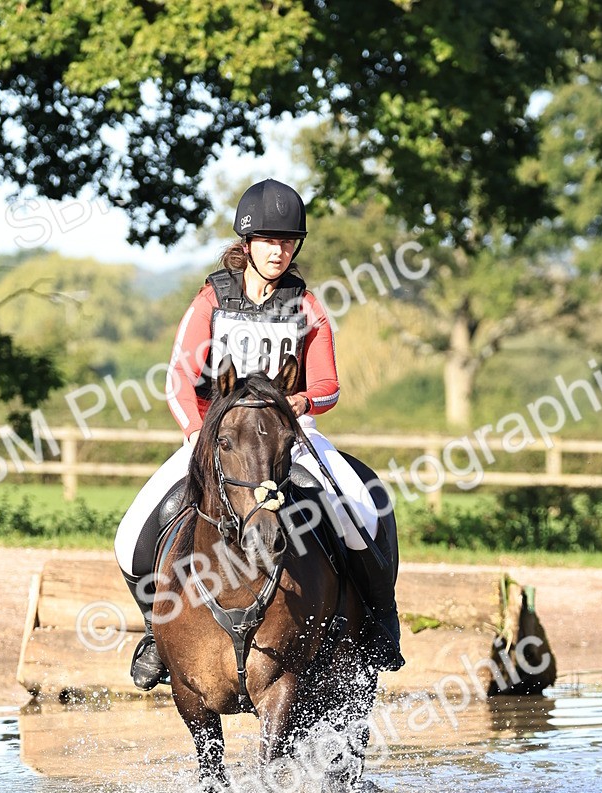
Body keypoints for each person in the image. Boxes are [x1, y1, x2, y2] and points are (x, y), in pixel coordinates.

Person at [114, 178, 402, 691]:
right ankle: (157, 634)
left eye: (289, 242)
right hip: (216, 442)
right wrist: (198, 438)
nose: (280, 250)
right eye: (270, 241)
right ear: (246, 245)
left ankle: (380, 621)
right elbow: (179, 379)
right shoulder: (211, 300)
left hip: (292, 439)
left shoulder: (307, 305)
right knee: (134, 528)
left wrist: (303, 403)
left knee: (360, 503)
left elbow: (329, 386)